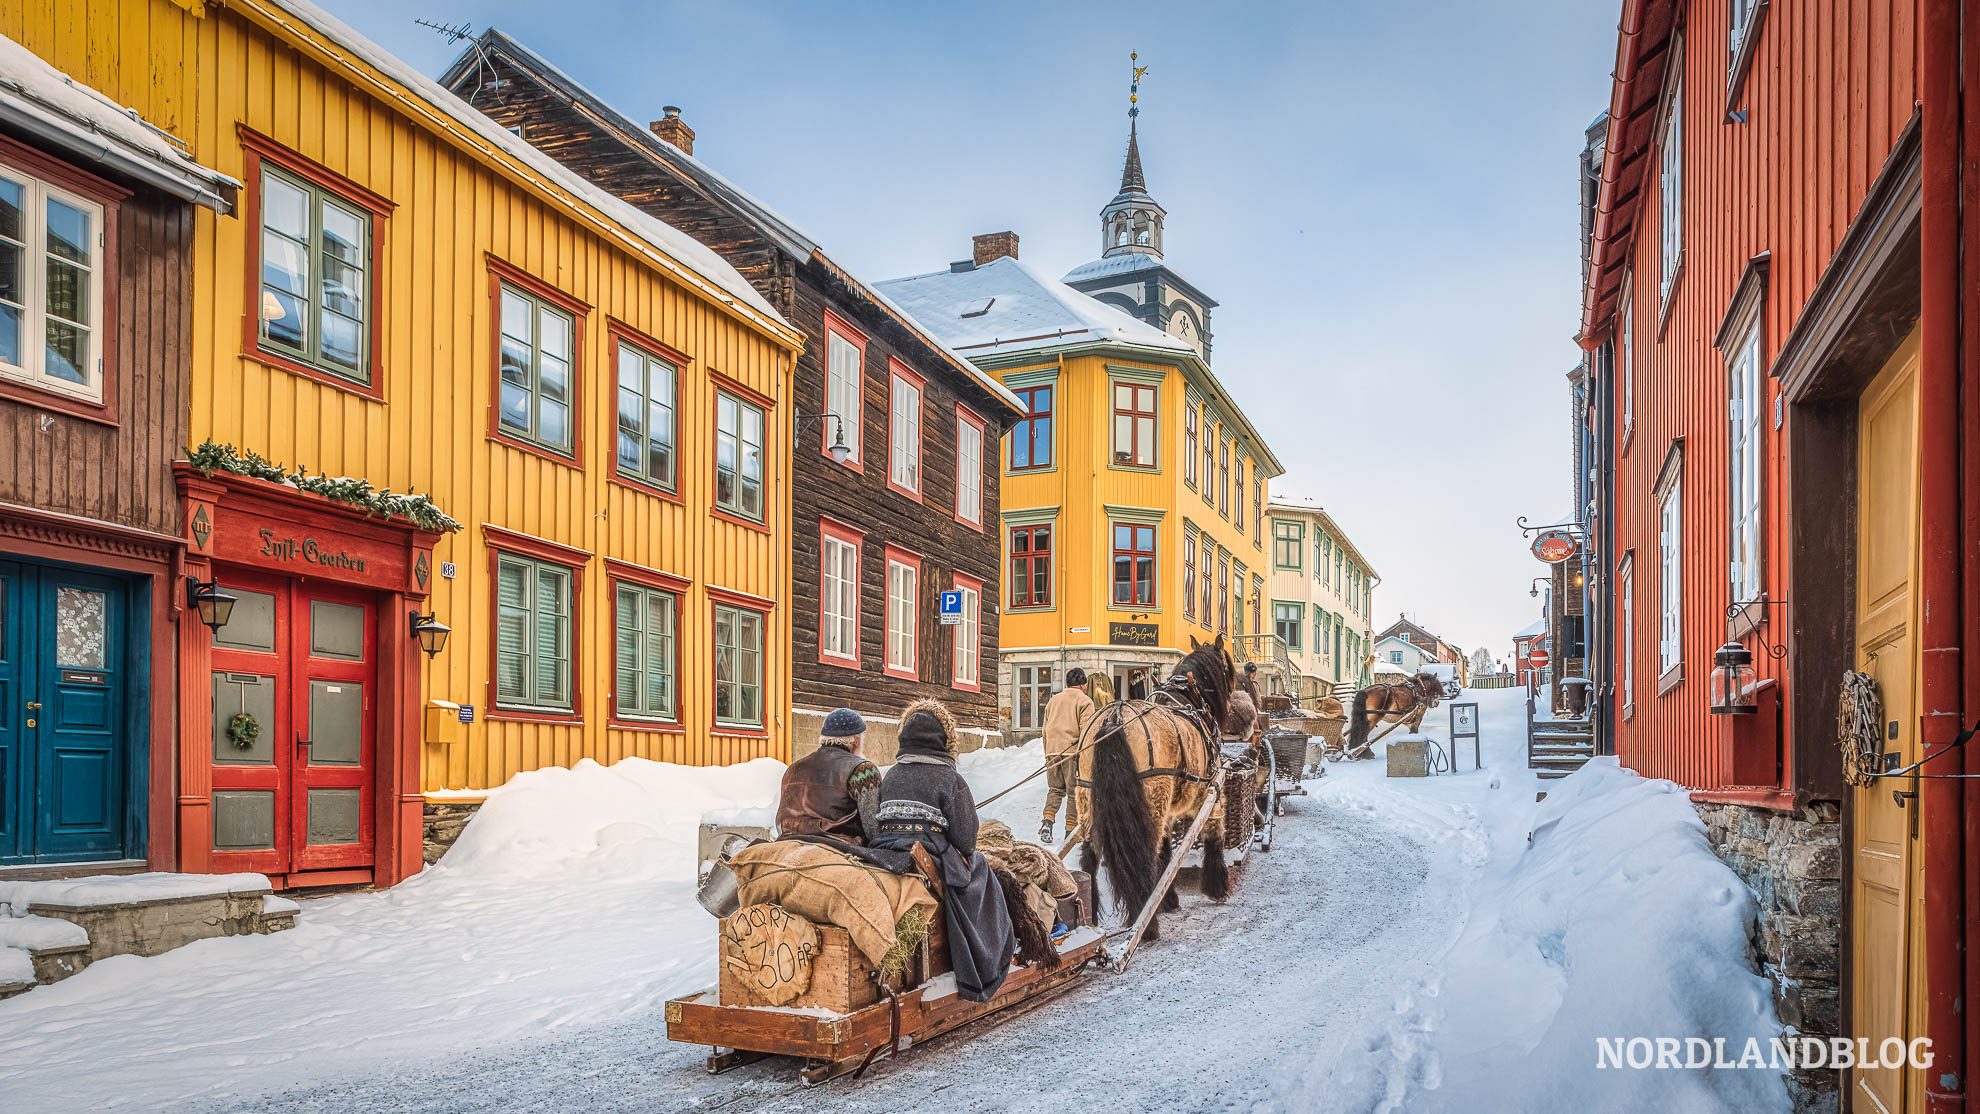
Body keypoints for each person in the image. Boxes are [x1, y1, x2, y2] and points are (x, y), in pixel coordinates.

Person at [868, 699, 1020, 1003]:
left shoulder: (891, 775)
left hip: (888, 854)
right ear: (944, 743)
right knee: (982, 876)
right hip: (930, 856)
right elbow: (966, 840)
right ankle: (988, 956)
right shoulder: (950, 779)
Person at [775, 708, 880, 844]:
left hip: (788, 842)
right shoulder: (863, 770)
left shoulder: (793, 768)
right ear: (856, 740)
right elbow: (873, 828)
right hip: (841, 846)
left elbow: (780, 821)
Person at [1039, 667, 1094, 845]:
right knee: (1073, 792)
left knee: (1054, 789)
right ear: (1083, 685)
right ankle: (1071, 831)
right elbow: (1087, 732)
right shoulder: (1085, 701)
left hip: (1052, 751)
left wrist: (1048, 750)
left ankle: (1047, 822)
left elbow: (1044, 731)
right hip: (1072, 752)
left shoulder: (1053, 701)